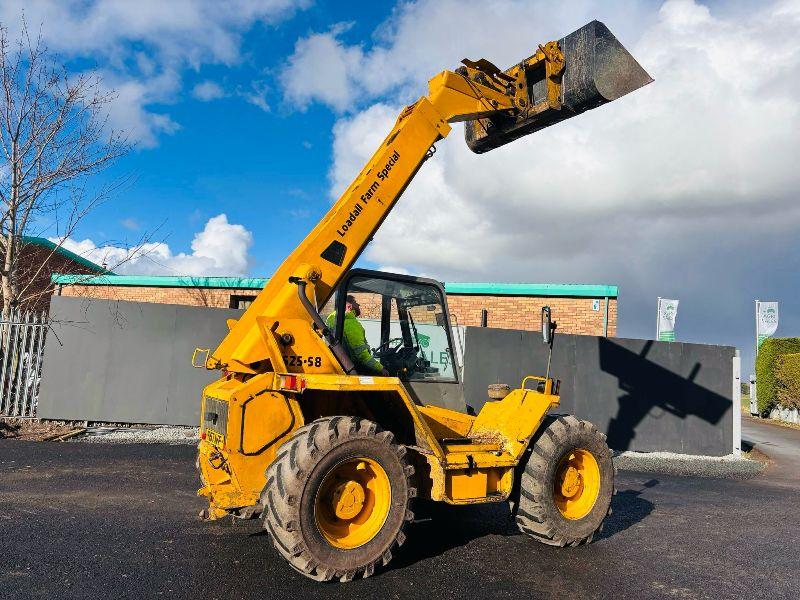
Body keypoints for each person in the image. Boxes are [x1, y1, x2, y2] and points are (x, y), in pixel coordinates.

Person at [326, 295, 389, 376]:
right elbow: (362, 355)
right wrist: (381, 368)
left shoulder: (336, 322)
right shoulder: (350, 324)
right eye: (355, 303)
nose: (359, 305)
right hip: (357, 369)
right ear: (349, 307)